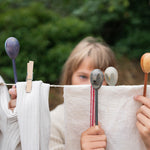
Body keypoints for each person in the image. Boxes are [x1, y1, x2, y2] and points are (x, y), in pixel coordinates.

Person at [8, 36, 150, 150]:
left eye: (100, 77)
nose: (90, 85)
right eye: (82, 76)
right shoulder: (53, 121)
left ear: (112, 81)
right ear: (69, 79)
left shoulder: (130, 119)